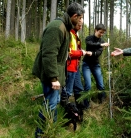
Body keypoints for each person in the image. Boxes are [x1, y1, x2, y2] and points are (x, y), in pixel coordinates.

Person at [32, 2, 85, 137]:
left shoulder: (65, 28)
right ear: (74, 16)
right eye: (80, 18)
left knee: (53, 102)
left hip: (56, 73)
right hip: (50, 74)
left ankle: (51, 130)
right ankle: (40, 134)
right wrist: (54, 78)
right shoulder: (57, 27)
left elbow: (61, 53)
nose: (81, 21)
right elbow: (49, 54)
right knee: (50, 104)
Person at [60, 21, 88, 109]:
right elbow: (69, 52)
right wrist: (81, 52)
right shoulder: (69, 34)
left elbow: (75, 49)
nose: (80, 27)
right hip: (69, 67)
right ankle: (64, 112)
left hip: (76, 67)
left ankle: (80, 110)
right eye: (79, 25)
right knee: (67, 92)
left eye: (81, 25)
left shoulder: (76, 34)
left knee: (79, 89)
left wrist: (82, 51)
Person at [82, 24, 110, 109]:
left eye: (103, 33)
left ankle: (102, 103)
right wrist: (101, 45)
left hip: (95, 65)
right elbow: (90, 44)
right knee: (88, 85)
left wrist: (93, 53)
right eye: (100, 32)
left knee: (101, 84)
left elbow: (98, 53)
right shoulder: (89, 38)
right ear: (96, 30)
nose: (101, 34)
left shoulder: (102, 41)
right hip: (86, 64)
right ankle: (86, 105)